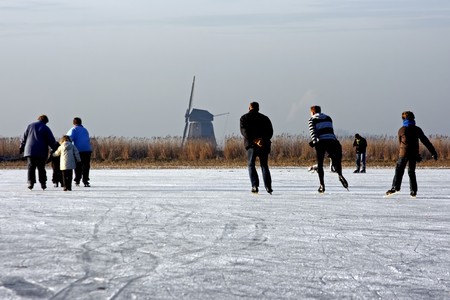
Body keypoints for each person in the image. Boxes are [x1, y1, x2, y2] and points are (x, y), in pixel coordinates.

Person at [386, 111, 438, 198]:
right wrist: (433, 152)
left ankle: (395, 187)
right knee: (411, 172)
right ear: (413, 118)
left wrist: (402, 152)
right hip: (414, 154)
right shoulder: (417, 129)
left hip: (404, 153)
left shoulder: (401, 130)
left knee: (399, 170)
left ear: (404, 119)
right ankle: (413, 191)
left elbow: (400, 144)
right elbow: (426, 141)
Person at [308, 105, 348, 193]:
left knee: (320, 165)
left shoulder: (312, 120)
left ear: (313, 112)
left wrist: (314, 142)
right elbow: (330, 131)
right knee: (336, 160)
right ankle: (340, 175)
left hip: (321, 142)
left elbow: (313, 133)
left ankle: (322, 185)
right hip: (332, 141)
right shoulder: (328, 118)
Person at [240, 102, 273, 194]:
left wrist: (254, 140)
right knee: (264, 166)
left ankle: (254, 186)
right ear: (258, 108)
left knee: (251, 165)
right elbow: (270, 132)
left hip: (251, 146)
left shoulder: (244, 118)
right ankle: (268, 187)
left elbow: (244, 132)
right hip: (264, 145)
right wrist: (262, 140)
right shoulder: (265, 118)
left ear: (249, 108)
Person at [20, 115, 58, 190]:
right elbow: (51, 140)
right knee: (41, 168)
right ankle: (43, 183)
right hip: (41, 151)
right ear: (46, 121)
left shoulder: (30, 126)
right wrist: (55, 148)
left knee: (31, 167)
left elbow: (24, 137)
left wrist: (21, 146)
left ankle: (30, 182)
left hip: (30, 150)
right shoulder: (46, 128)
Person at [67, 117, 92, 187]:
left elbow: (68, 139)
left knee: (78, 165)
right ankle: (86, 180)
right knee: (86, 165)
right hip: (87, 150)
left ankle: (77, 180)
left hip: (78, 150)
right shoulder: (85, 130)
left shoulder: (73, 130)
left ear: (74, 123)